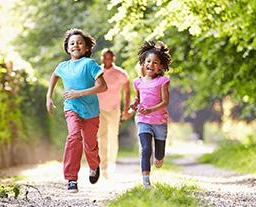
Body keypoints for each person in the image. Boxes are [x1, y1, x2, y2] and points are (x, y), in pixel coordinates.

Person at [46, 28, 107, 193]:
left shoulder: (90, 64)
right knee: (73, 137)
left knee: (90, 144)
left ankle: (94, 165)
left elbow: (103, 86)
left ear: (87, 47)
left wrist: (79, 93)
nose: (76, 45)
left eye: (80, 43)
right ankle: (71, 178)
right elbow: (54, 75)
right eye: (72, 43)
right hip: (71, 108)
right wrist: (49, 96)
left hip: (91, 112)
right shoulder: (63, 66)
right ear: (67, 47)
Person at [129, 41, 171, 189]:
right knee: (146, 149)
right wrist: (134, 104)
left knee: (159, 156)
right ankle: (146, 182)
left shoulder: (162, 81)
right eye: (148, 61)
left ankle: (159, 158)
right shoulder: (137, 82)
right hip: (143, 119)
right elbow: (138, 98)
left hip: (159, 121)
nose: (151, 65)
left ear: (160, 66)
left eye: (155, 63)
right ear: (143, 62)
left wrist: (152, 110)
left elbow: (165, 102)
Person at [97, 48, 131, 179]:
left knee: (113, 138)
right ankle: (103, 168)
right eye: (104, 57)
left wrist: (126, 109)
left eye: (109, 57)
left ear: (113, 58)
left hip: (114, 110)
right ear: (101, 58)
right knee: (102, 138)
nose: (107, 60)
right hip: (100, 110)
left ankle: (112, 164)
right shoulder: (97, 72)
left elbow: (127, 91)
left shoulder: (120, 73)